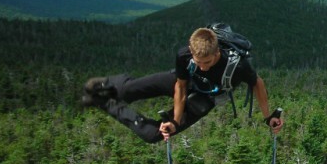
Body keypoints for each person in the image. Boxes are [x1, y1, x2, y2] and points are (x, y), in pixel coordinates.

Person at [82, 27, 283, 142]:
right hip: (185, 82)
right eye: (199, 62)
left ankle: (107, 104)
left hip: (205, 97)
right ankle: (109, 86)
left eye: (208, 62)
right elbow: (180, 86)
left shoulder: (238, 66)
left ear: (217, 53)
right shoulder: (184, 55)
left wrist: (268, 117)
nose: (203, 67)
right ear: (190, 51)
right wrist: (176, 119)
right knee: (126, 90)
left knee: (153, 135)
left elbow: (258, 83)